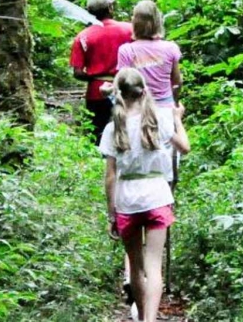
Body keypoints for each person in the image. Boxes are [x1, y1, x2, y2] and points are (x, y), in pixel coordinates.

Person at [101, 68, 190, 322]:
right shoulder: (158, 121)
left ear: (118, 93)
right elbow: (184, 148)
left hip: (127, 200)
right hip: (157, 196)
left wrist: (111, 215)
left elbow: (110, 176)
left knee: (136, 267)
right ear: (142, 91)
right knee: (154, 266)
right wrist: (178, 119)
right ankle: (149, 320)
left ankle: (141, 317)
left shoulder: (112, 128)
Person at [69, 0, 134, 144]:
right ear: (110, 8)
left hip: (96, 93)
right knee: (129, 132)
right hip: (127, 87)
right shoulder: (130, 30)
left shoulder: (83, 36)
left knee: (98, 136)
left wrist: (96, 76)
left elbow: (78, 73)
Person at [116, 0, 182, 106]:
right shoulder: (171, 48)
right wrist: (174, 101)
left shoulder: (126, 51)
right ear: (158, 22)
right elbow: (177, 82)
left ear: (134, 23)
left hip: (137, 108)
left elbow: (123, 86)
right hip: (166, 106)